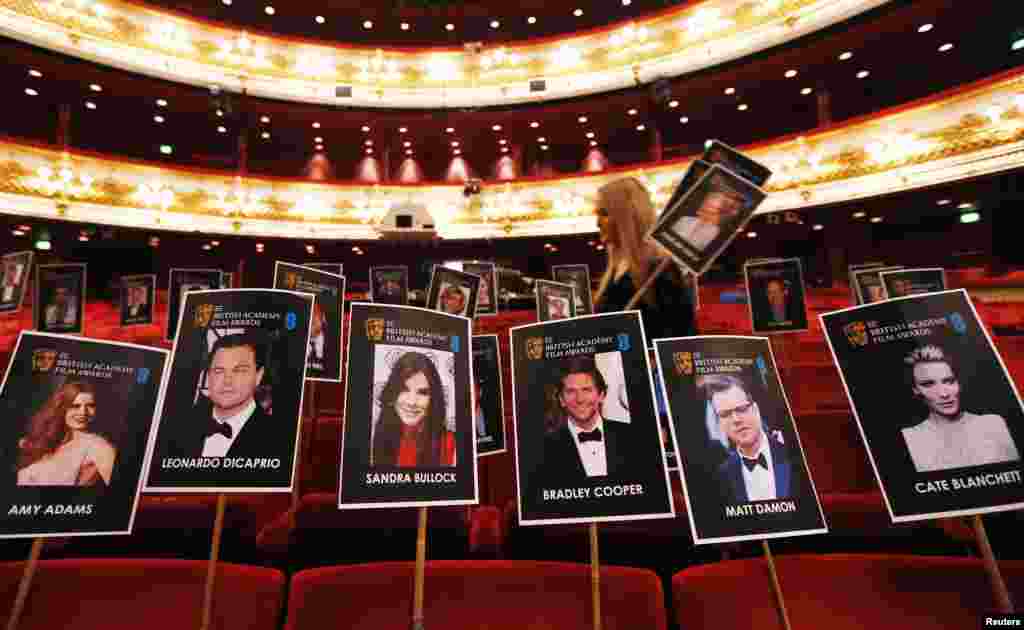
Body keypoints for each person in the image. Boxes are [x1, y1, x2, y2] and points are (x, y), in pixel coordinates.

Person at [594, 177, 696, 339]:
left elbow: (683, 338)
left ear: (627, 217)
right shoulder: (614, 269)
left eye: (604, 214)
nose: (597, 223)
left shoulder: (662, 269)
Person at [901, 345, 1020, 473]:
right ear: (916, 390)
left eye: (949, 381)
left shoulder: (992, 424)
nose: (944, 394)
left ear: (959, 383)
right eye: (928, 384)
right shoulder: (910, 438)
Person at [172, 332, 284, 458]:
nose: (227, 381)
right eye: (219, 370)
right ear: (209, 375)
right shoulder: (178, 425)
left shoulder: (279, 437)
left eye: (239, 371)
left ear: (258, 376)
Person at [540, 356, 640, 482]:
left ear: (601, 395)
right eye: (571, 391)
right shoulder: (546, 448)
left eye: (586, 390)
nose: (580, 399)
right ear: (561, 400)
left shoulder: (632, 437)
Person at [705, 374, 801, 503]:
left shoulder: (795, 455)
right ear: (721, 424)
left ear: (755, 410)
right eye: (725, 414)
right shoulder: (722, 476)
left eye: (741, 409)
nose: (736, 420)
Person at [16, 381, 116, 486]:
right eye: (75, 406)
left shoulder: (99, 446)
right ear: (62, 408)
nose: (83, 412)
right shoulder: (49, 441)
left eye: (90, 405)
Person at [372, 352, 455, 467]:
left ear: (433, 399)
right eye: (404, 389)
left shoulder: (450, 444)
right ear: (392, 392)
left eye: (423, 393)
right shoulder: (377, 437)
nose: (412, 402)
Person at [671, 190, 744, 252]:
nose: (702, 207)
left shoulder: (716, 235)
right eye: (705, 203)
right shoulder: (685, 220)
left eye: (710, 207)